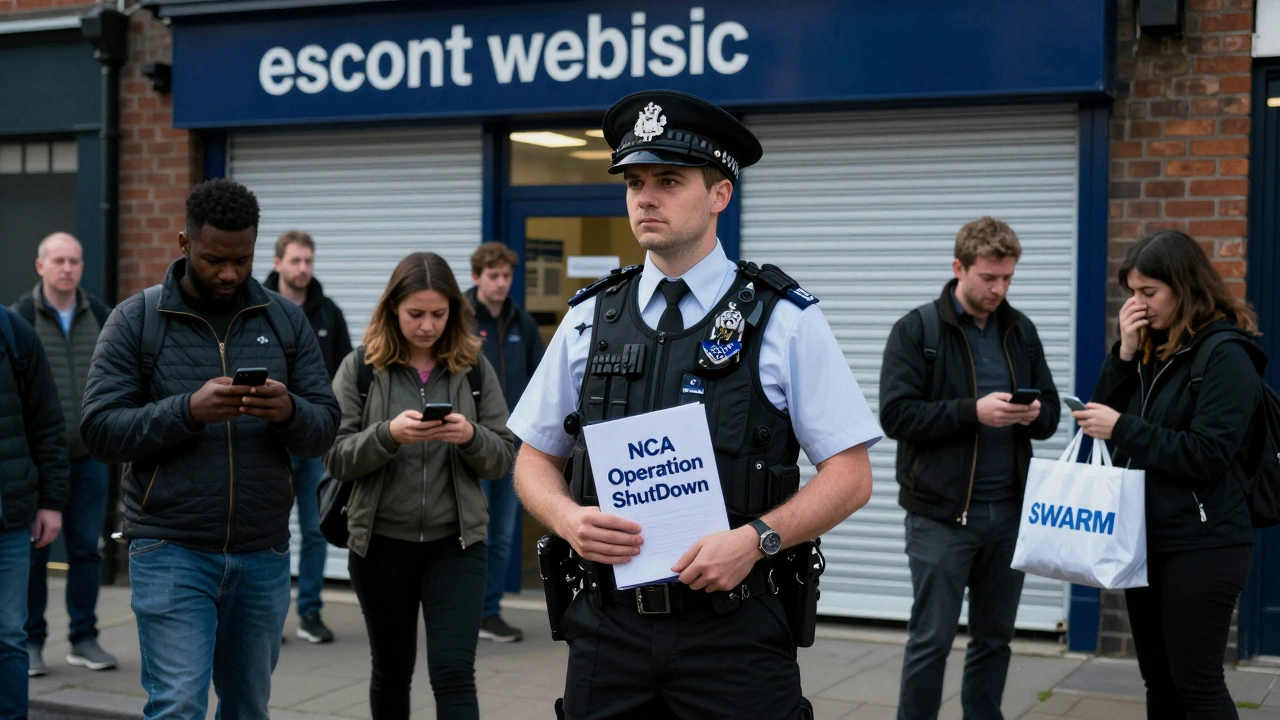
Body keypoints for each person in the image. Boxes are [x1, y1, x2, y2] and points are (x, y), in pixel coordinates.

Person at [508, 89, 881, 720]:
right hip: (607, 629)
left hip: (733, 633)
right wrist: (569, 521)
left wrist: (757, 539)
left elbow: (851, 476)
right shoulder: (587, 320)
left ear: (719, 195)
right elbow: (531, 460)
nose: (645, 197)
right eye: (634, 182)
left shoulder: (783, 321)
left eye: (669, 180)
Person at [80, 178, 340, 720]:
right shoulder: (135, 320)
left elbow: (326, 427)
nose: (228, 273)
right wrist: (187, 411)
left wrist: (289, 411)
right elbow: (100, 430)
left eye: (241, 260)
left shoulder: (286, 320)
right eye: (214, 259)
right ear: (184, 243)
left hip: (262, 550)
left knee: (247, 707)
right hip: (170, 549)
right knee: (178, 705)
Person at [1074, 229, 1265, 719]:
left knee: (1197, 686)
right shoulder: (1151, 351)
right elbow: (1101, 419)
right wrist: (1124, 351)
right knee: (1158, 682)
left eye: (1148, 292)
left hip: (1205, 544)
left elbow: (1206, 454)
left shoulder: (1226, 355)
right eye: (1131, 293)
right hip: (1150, 539)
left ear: (1184, 287)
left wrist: (1126, 428)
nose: (1137, 304)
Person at [879, 217, 1061, 720]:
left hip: (1008, 514)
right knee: (931, 640)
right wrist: (971, 412)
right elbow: (895, 415)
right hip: (941, 517)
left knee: (995, 639)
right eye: (989, 278)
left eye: (1008, 278)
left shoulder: (1020, 331)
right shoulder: (918, 330)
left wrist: (1035, 414)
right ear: (959, 267)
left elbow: (1050, 411)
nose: (1000, 289)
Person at [324, 251, 515, 720]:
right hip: (381, 546)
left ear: (453, 311)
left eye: (438, 314)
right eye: (416, 314)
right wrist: (389, 435)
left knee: (453, 672)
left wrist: (470, 436)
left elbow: (505, 455)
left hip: (458, 545)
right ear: (393, 308)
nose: (427, 326)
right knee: (392, 671)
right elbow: (334, 455)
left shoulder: (473, 369)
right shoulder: (361, 368)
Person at [12, 232, 117, 677]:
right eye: (59, 260)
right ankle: (32, 640)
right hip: (38, 460)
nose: (67, 268)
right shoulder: (20, 318)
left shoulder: (101, 316)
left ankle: (84, 638)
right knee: (35, 552)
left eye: (74, 260)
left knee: (87, 550)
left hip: (91, 457)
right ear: (41, 267)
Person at [264, 229, 353, 644]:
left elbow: (344, 378)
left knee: (316, 530)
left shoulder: (328, 313)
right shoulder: (257, 306)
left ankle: (311, 613)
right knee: (270, 529)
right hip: (267, 442)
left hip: (315, 442)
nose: (303, 268)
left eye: (309, 261)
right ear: (278, 262)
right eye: (296, 260)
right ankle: (269, 616)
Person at [466, 241, 545, 643]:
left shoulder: (521, 322)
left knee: (501, 535)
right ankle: (461, 611)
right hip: (469, 444)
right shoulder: (458, 318)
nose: (501, 283)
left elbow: (541, 380)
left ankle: (489, 613)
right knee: (470, 532)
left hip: (512, 446)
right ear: (477, 276)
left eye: (506, 276)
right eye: (493, 276)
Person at [0, 307, 69, 720]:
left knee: (9, 634)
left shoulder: (13, 333)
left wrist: (51, 501)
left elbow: (46, 422)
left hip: (8, 519)